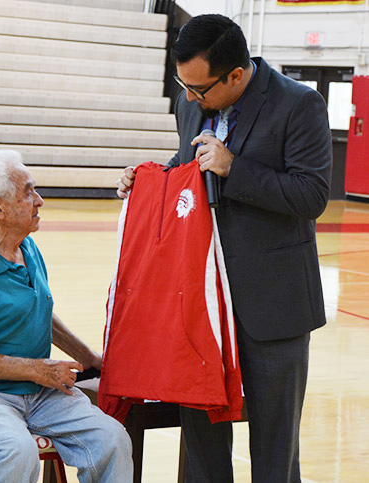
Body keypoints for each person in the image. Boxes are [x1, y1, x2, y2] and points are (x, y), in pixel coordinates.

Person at [116, 14, 332, 483]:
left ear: (237, 74)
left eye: (201, 89)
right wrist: (151, 179)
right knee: (202, 448)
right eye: (184, 86)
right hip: (201, 305)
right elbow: (187, 164)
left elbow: (312, 196)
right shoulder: (188, 100)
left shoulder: (300, 104)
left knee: (274, 452)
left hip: (274, 308)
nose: (191, 98)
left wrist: (236, 168)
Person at [0, 149, 133, 483]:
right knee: (17, 452)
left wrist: (90, 359)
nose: (39, 200)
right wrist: (36, 369)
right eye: (28, 191)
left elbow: (41, 313)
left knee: (111, 439)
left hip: (36, 392)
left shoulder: (27, 247)